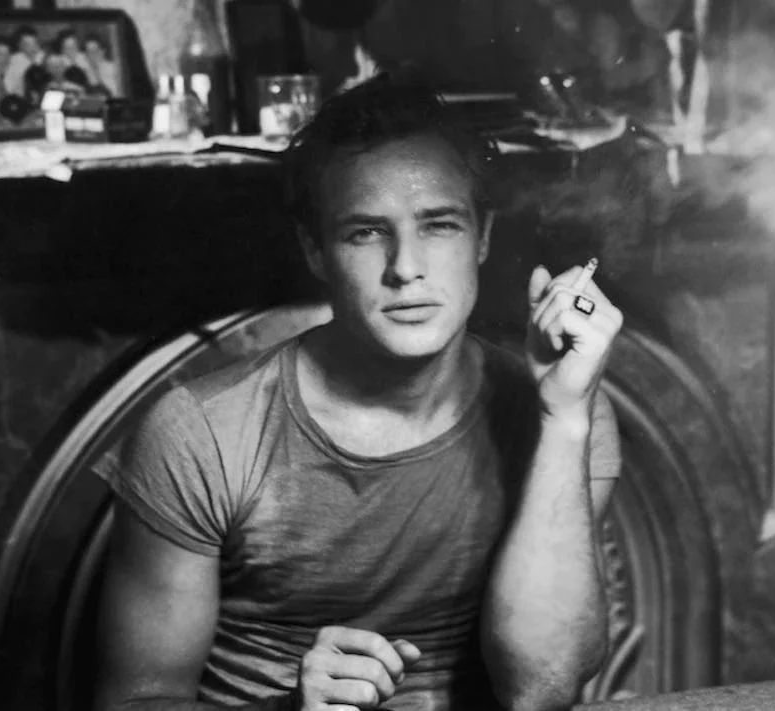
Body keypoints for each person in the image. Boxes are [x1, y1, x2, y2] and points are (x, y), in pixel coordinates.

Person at [93, 74, 624, 711]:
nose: (406, 267)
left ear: (482, 237)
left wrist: (564, 419)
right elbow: (134, 704)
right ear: (316, 251)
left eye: (439, 225)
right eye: (366, 232)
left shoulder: (568, 411)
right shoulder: (200, 433)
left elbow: (541, 691)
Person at [5, 25, 47, 102]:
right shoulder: (13, 61)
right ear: (19, 46)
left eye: (34, 43)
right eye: (27, 44)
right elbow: (9, 88)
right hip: (21, 101)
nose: (32, 47)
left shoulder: (45, 57)